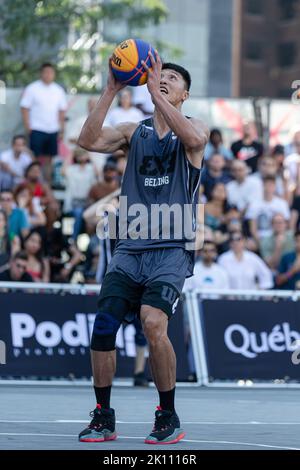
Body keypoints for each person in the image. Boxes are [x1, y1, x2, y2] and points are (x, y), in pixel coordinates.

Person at [77, 52, 208, 444]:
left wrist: (156, 93)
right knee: (103, 327)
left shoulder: (195, 129)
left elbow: (195, 139)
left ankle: (167, 415)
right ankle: (103, 416)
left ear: (184, 94)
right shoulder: (135, 132)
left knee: (154, 324)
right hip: (130, 248)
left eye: (171, 79)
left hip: (170, 249)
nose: (163, 79)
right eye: (159, 75)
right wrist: (112, 88)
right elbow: (87, 140)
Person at [20, 63, 67, 183]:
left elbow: (62, 112)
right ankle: (32, 186)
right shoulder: (32, 88)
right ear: (41, 73)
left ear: (54, 74)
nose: (48, 75)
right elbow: (24, 108)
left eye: (51, 72)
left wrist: (62, 129)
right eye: (45, 72)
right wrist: (27, 127)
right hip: (37, 128)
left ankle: (47, 186)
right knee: (33, 159)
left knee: (49, 160)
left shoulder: (58, 90)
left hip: (53, 129)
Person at [246, 175, 290, 244]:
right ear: (262, 186)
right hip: (259, 238)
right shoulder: (254, 204)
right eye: (266, 185)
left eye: (271, 185)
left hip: (276, 238)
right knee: (250, 244)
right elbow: (253, 229)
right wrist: (262, 244)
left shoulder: (282, 204)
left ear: (275, 186)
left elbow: (286, 226)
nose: (269, 188)